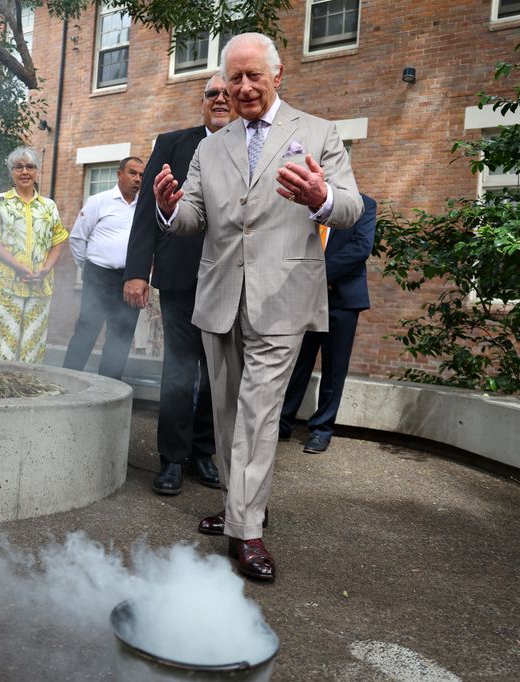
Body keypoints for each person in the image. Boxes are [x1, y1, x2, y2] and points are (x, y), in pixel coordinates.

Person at [154, 32, 362, 581]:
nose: (243, 88)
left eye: (253, 76)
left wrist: (322, 199)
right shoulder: (210, 145)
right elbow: (193, 217)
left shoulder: (317, 133)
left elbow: (351, 206)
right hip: (221, 295)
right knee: (225, 415)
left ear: (278, 75)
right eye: (233, 79)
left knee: (258, 414)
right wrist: (169, 210)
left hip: (283, 297)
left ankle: (246, 531)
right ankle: (239, 506)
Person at [124, 74, 234, 496]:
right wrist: (137, 271)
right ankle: (171, 458)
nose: (220, 98)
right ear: (202, 102)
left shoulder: (251, 145)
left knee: (216, 373)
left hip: (229, 279)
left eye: (226, 93)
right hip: (179, 278)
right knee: (179, 370)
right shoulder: (171, 143)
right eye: (212, 94)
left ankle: (202, 453)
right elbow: (146, 210)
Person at [280, 194, 377, 453]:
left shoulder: (363, 205)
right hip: (304, 296)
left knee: (334, 367)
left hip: (343, 299)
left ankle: (321, 430)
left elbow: (360, 247)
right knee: (298, 362)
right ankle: (282, 422)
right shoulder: (304, 203)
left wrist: (317, 274)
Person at [0, 147, 68, 363]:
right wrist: (18, 266)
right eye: (18, 167)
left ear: (37, 171)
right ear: (11, 172)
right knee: (0, 341)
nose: (24, 171)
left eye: (30, 166)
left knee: (32, 345)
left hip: (39, 286)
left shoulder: (49, 207)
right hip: (5, 286)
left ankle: (26, 391)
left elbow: (58, 243)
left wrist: (46, 269)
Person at [62, 157, 145, 380]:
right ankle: (66, 382)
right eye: (132, 172)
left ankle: (109, 389)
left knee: (121, 335)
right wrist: (88, 267)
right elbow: (77, 238)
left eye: (140, 175)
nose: (137, 178)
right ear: (119, 174)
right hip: (99, 276)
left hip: (130, 280)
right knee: (87, 330)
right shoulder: (99, 201)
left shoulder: (145, 206)